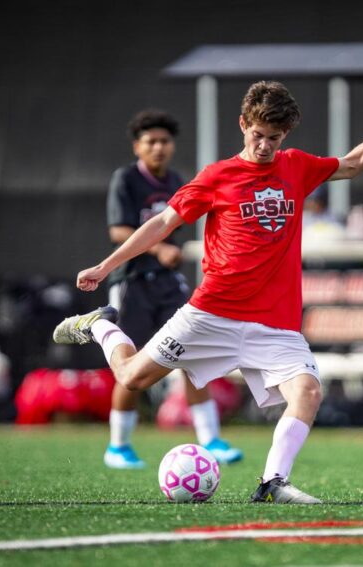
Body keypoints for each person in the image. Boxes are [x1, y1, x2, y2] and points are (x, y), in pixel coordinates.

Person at [53, 81, 363, 503]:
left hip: (274, 322)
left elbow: (352, 164)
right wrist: (105, 266)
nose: (264, 146)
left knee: (308, 392)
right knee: (132, 378)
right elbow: (162, 224)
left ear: (286, 136)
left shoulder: (296, 166)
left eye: (274, 138)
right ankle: (100, 326)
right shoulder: (217, 176)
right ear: (243, 124)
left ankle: (272, 484)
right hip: (212, 313)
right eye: (257, 135)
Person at [102, 109, 242, 469]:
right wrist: (159, 248)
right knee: (131, 365)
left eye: (164, 141)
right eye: (151, 142)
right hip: (133, 283)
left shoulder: (178, 180)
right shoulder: (126, 179)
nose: (159, 148)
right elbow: (118, 231)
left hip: (168, 284)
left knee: (193, 356)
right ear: (138, 146)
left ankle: (210, 439)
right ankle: (118, 446)